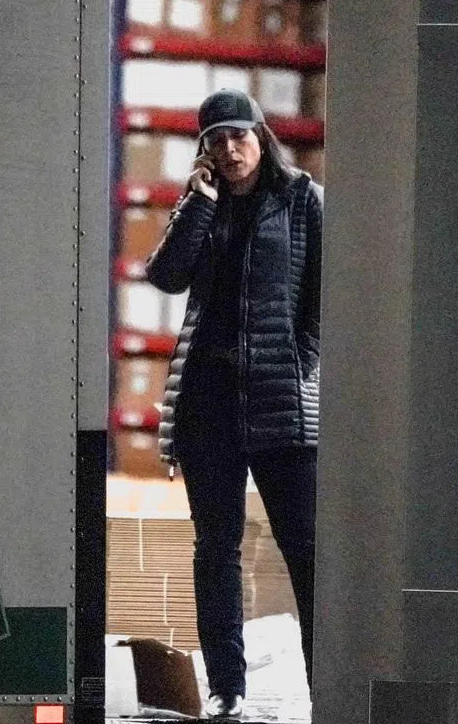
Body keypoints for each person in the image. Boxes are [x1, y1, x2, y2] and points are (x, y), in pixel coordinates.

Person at [144, 88, 322, 720]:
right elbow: (163, 276)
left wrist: (303, 357)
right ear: (205, 149)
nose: (229, 149)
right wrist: (199, 203)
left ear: (260, 135)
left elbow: (322, 294)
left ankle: (322, 689)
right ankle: (227, 689)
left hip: (280, 403)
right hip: (208, 405)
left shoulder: (300, 198)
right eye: (216, 140)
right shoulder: (203, 203)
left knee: (305, 549)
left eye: (238, 136)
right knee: (215, 549)